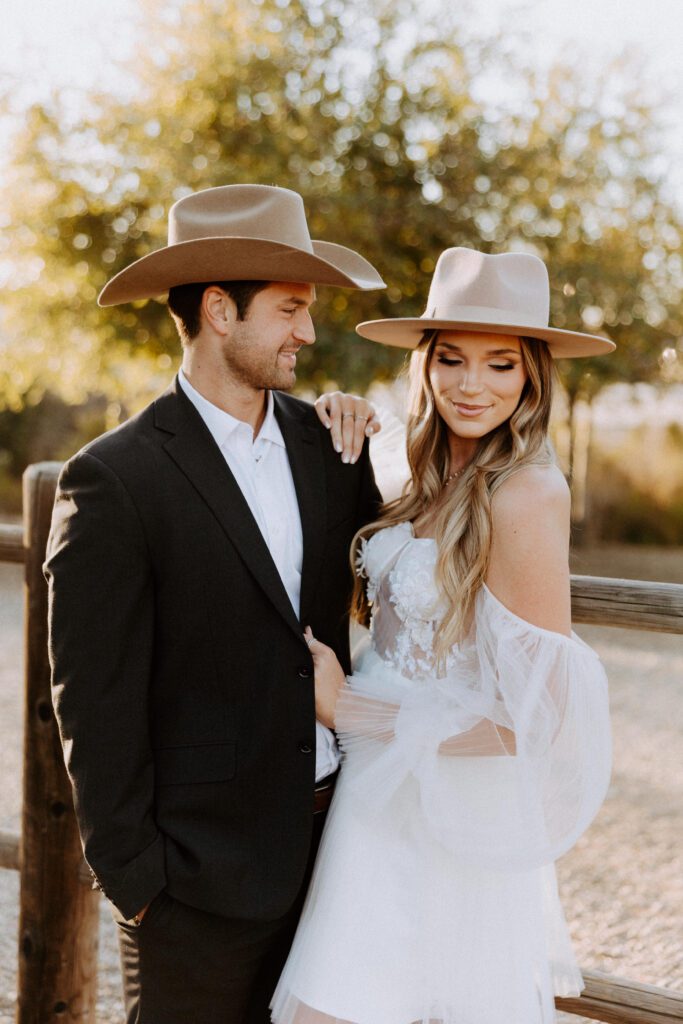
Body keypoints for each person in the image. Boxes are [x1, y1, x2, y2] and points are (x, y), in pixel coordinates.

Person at [45, 183, 387, 1024]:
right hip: (194, 889)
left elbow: (388, 596)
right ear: (218, 312)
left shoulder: (331, 447)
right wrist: (141, 884)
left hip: (336, 855)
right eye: (290, 309)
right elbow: (93, 701)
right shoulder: (114, 478)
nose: (308, 331)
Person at [271, 246, 615, 1024]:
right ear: (424, 365)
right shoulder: (415, 472)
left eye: (500, 365)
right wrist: (333, 409)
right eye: (451, 359)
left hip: (450, 813)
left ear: (531, 376)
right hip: (370, 797)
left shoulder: (526, 492)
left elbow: (535, 718)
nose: (471, 385)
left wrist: (347, 712)